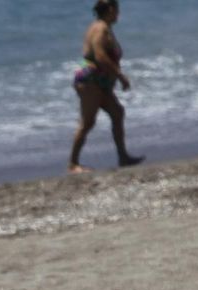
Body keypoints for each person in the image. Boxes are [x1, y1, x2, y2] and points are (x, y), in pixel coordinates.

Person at [69, 0, 144, 173]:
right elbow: (100, 55)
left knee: (117, 112)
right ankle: (73, 164)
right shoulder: (100, 28)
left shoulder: (105, 28)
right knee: (88, 122)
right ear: (111, 9)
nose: (119, 14)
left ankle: (123, 157)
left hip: (100, 82)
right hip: (90, 80)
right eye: (117, 10)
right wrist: (120, 76)